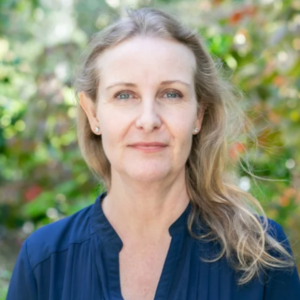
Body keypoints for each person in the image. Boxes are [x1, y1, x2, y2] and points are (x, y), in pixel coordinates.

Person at [6, 7, 300, 300]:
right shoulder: (44, 261)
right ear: (93, 113)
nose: (148, 119)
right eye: (124, 95)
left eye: (171, 94)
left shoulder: (261, 255)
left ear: (199, 114)